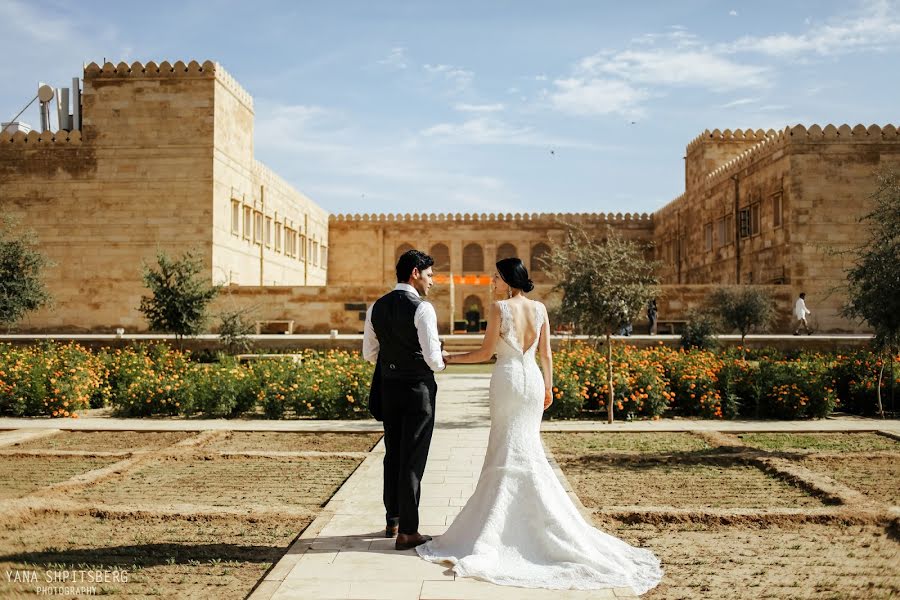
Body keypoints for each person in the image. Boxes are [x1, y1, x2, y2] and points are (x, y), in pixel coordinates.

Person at [415, 257, 663, 595]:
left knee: (505, 446)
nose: (492, 282)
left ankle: (501, 529)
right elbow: (546, 354)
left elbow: (487, 352)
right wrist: (548, 387)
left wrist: (449, 358)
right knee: (527, 448)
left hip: (506, 380)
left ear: (509, 280)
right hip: (531, 380)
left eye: (497, 277)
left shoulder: (498, 308)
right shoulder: (540, 309)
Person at [363, 249, 447, 550]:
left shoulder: (377, 307)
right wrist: (440, 357)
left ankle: (393, 518)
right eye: (429, 275)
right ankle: (408, 532)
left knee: (393, 454)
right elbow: (434, 361)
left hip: (389, 389)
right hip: (417, 394)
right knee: (412, 459)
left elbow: (369, 354)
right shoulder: (422, 309)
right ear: (415, 273)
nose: (432, 281)